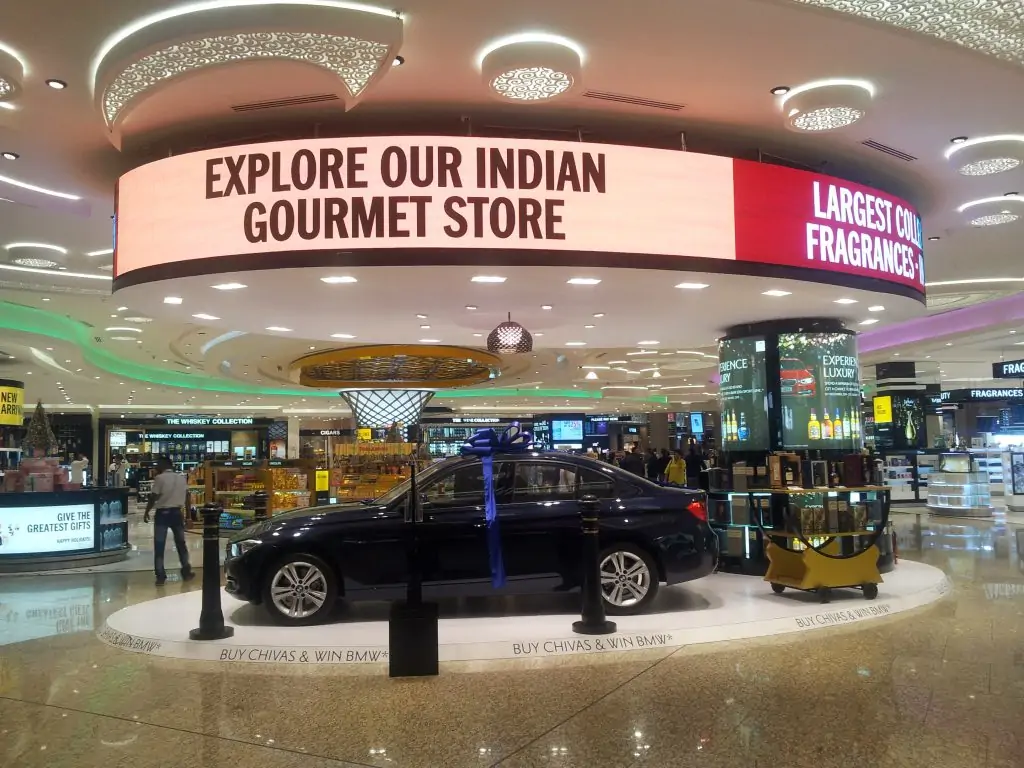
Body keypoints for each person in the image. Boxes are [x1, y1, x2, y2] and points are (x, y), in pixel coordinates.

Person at [144, 456, 195, 586]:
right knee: (181, 544)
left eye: (158, 464)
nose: (156, 467)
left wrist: (147, 511)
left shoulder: (159, 478)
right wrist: (189, 516)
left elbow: (153, 496)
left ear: (163, 465)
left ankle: (160, 575)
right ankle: (186, 571)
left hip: (163, 514)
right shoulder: (181, 478)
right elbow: (188, 497)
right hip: (177, 514)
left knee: (159, 545)